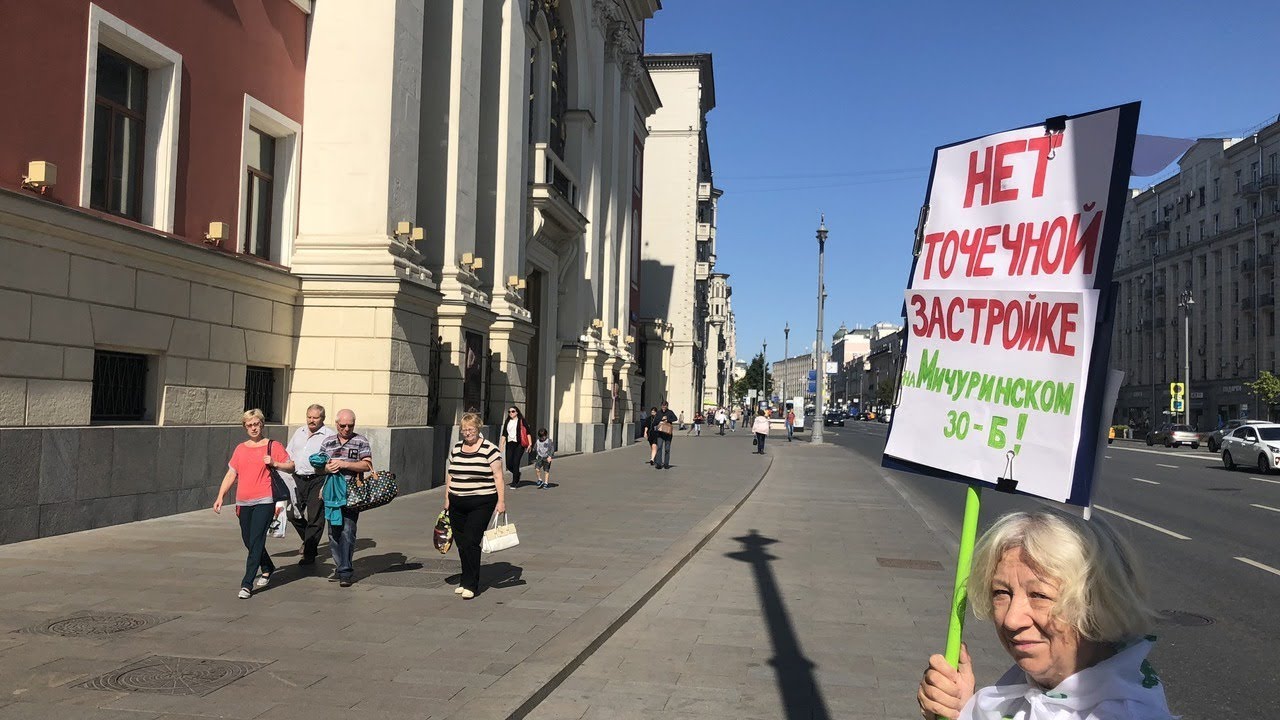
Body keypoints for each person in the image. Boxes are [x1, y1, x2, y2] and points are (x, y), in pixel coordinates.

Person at [917, 508, 1173, 720]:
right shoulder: (1041, 680)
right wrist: (964, 710)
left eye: (1039, 595)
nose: (1011, 620)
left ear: (1100, 604)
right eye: (1001, 592)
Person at [213, 409, 295, 599]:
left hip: (265, 500)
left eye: (256, 424)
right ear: (245, 427)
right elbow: (231, 474)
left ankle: (247, 583)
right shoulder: (241, 448)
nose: (253, 428)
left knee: (257, 538)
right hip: (243, 501)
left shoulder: (273, 446)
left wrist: (275, 463)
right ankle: (267, 566)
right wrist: (220, 496)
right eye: (249, 425)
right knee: (248, 539)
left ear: (262, 424)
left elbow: (291, 466)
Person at [444, 412, 507, 598]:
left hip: (482, 502)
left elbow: (498, 477)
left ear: (478, 428)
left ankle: (472, 584)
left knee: (471, 540)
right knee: (462, 543)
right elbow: (451, 474)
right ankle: (465, 579)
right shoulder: (456, 448)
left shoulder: (490, 449)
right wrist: (447, 498)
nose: (467, 433)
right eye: (464, 430)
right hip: (456, 501)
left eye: (470, 429)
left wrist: (501, 501)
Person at [318, 409, 373, 587]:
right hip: (332, 493)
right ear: (336, 424)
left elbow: (367, 465)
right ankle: (340, 565)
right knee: (333, 532)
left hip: (352, 494)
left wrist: (345, 464)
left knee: (348, 530)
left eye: (350, 425)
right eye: (343, 426)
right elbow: (319, 467)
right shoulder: (328, 442)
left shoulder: (360, 441)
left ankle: (345, 571)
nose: (347, 429)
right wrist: (327, 469)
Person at [285, 403, 336, 566]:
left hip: (317, 480)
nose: (311, 420)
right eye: (309, 417)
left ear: (323, 418)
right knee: (292, 514)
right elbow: (289, 453)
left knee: (315, 518)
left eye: (316, 417)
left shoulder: (329, 436)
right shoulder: (299, 432)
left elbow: (333, 461)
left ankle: (309, 554)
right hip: (297, 479)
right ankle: (309, 540)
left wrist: (325, 484)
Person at [501, 406, 532, 487]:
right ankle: (517, 474)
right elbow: (504, 434)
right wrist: (501, 445)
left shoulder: (522, 421)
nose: (511, 413)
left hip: (519, 444)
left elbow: (528, 433)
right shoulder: (507, 421)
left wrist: (530, 444)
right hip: (509, 444)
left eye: (513, 411)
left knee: (516, 463)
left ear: (517, 412)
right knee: (508, 464)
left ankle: (515, 482)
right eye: (509, 411)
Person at [654, 400, 678, 470]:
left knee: (667, 449)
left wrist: (668, 419)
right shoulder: (658, 413)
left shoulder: (670, 412)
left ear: (667, 406)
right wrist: (661, 419)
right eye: (662, 406)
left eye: (665, 406)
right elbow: (655, 421)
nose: (663, 407)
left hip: (668, 434)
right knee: (659, 447)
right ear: (661, 406)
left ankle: (666, 464)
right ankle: (658, 464)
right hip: (660, 433)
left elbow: (675, 418)